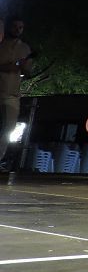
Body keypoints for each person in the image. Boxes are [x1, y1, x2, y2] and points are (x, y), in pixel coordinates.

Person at [0, 17, 34, 170]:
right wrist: (11, 66)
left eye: (21, 27)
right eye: (15, 26)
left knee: (8, 128)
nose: (18, 30)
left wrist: (24, 66)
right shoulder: (1, 45)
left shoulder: (25, 48)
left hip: (12, 93)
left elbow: (27, 72)